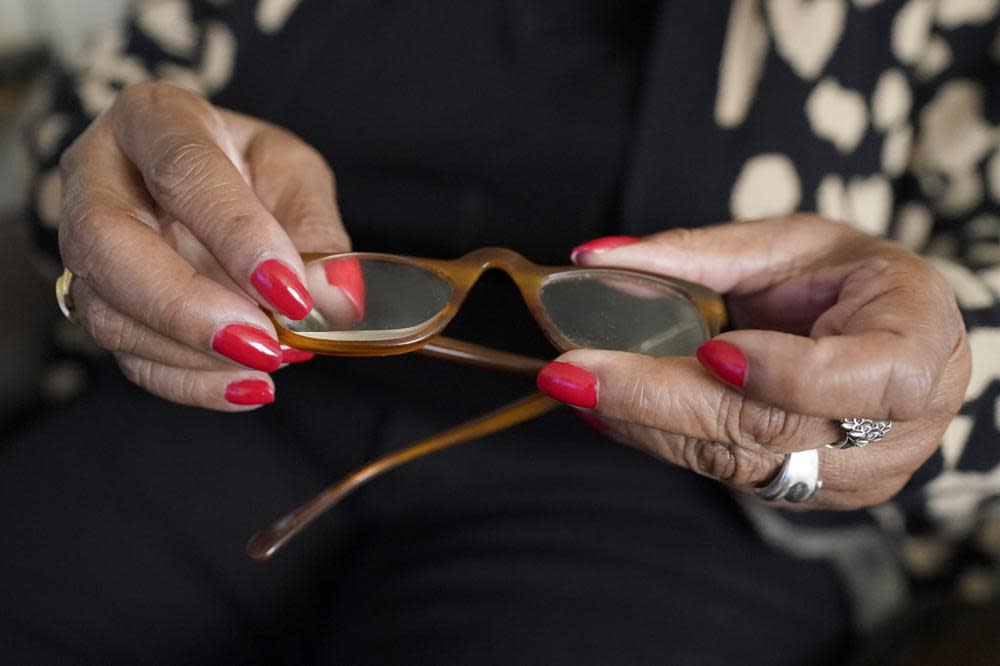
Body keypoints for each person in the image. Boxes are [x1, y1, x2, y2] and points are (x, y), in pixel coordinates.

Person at [2, 1, 998, 663]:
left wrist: (914, 389)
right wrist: (117, 190)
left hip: (674, 502)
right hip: (237, 401)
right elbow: (99, 113)